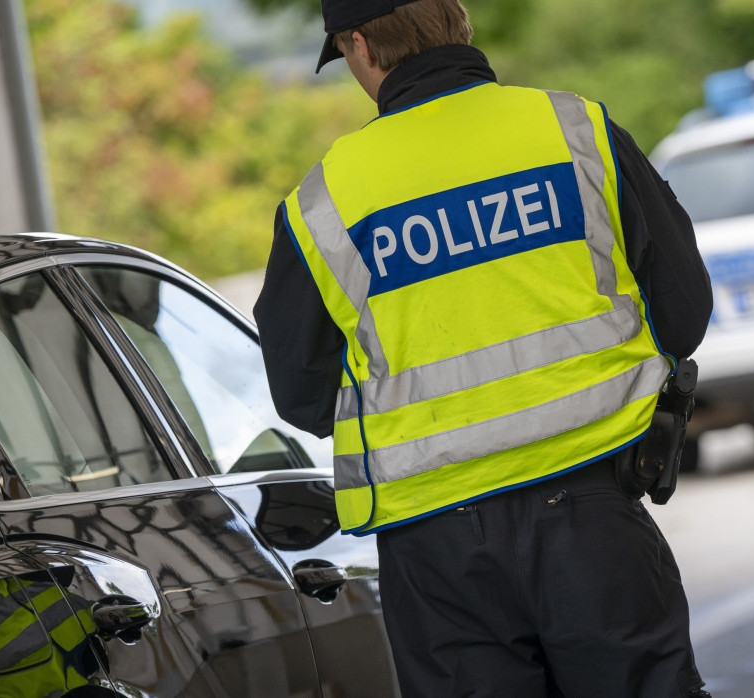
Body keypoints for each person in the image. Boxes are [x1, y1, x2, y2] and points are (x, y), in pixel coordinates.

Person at [254, 0, 714, 695]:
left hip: (435, 550)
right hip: (593, 509)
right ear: (458, 18)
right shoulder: (574, 131)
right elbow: (683, 308)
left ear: (358, 46)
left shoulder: (324, 200)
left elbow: (302, 391)